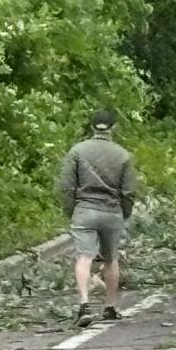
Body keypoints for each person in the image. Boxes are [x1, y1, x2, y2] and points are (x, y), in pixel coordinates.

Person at [59, 110, 138, 327]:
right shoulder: (123, 155)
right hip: (111, 211)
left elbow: (66, 186)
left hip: (84, 209)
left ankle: (84, 303)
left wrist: (71, 210)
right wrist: (124, 212)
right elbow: (129, 190)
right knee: (111, 259)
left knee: (84, 257)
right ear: (114, 128)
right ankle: (110, 306)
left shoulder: (77, 151)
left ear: (92, 127)